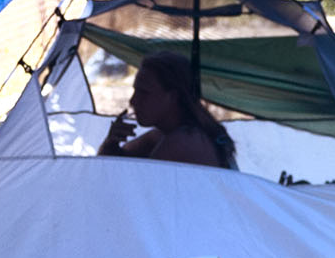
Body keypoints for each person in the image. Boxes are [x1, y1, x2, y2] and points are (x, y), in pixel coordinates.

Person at [98, 50, 236, 170]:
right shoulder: (162, 135)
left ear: (173, 97)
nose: (133, 101)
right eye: (136, 91)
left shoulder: (184, 141)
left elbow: (126, 189)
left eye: (144, 93)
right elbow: (110, 167)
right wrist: (111, 142)